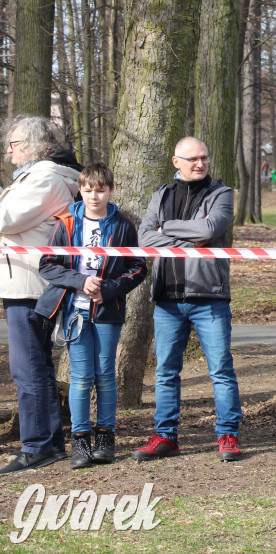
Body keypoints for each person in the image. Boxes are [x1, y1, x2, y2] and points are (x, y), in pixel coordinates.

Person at [133, 137, 243, 462]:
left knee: (221, 370)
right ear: (175, 161)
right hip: (167, 298)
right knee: (166, 371)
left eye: (204, 158)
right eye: (192, 159)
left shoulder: (221, 194)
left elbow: (211, 227)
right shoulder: (161, 195)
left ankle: (228, 435)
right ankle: (166, 436)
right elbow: (144, 236)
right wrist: (187, 236)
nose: (200, 164)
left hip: (209, 296)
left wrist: (166, 228)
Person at [36, 163, 147, 469]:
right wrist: (79, 281)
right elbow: (47, 264)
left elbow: (137, 268)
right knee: (82, 377)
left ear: (110, 190)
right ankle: (80, 440)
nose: (94, 196)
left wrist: (109, 289)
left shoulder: (123, 225)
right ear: (80, 190)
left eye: (100, 190)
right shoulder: (66, 223)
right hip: (74, 310)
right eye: (88, 190)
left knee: (106, 376)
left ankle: (105, 437)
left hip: (108, 311)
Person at [0, 117, 82, 474]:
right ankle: (46, 441)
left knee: (28, 367)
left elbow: (5, 218)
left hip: (32, 285)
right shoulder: (38, 177)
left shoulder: (46, 178)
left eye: (14, 144)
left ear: (33, 145)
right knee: (33, 365)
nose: (9, 151)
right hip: (23, 282)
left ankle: (38, 446)